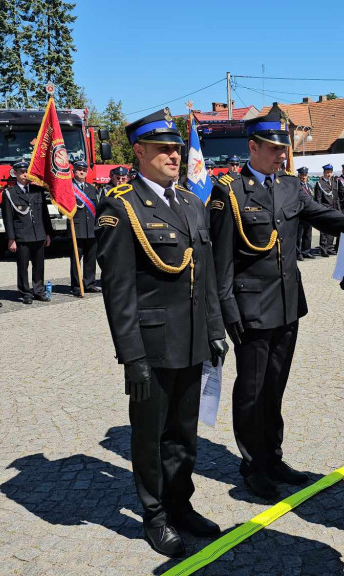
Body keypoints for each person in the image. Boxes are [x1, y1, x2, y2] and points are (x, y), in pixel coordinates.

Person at [208, 105, 344, 501]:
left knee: (276, 386)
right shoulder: (229, 194)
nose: (281, 155)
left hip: (287, 306)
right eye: (272, 148)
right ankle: (253, 466)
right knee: (251, 390)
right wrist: (226, 313)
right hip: (250, 310)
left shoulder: (289, 187)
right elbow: (220, 263)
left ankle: (273, 456)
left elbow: (321, 214)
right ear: (252, 147)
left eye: (283, 149)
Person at [96, 108, 227, 558]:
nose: (174, 155)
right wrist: (131, 356)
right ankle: (154, 515)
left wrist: (214, 330)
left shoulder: (191, 202)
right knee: (150, 435)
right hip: (152, 345)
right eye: (164, 149)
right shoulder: (121, 206)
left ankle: (180, 503)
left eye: (176, 148)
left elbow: (204, 274)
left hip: (192, 339)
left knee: (184, 434)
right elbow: (118, 290)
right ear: (140, 152)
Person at [1, 160, 52, 304]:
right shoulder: (10, 193)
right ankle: (25, 292)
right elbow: (8, 218)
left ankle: (39, 290)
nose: (25, 175)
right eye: (22, 172)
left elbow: (44, 214)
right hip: (22, 235)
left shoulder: (37, 191)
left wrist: (48, 233)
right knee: (23, 266)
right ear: (15, 173)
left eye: (27, 172)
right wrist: (11, 239)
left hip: (38, 234)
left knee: (39, 265)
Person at [69, 160, 101, 294]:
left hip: (91, 229)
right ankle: (77, 286)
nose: (82, 172)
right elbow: (62, 208)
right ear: (73, 171)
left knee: (90, 258)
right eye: (79, 169)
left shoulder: (92, 188)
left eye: (84, 170)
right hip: (76, 228)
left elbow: (97, 209)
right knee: (76, 259)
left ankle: (89, 283)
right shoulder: (69, 188)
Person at [313, 164, 339, 256]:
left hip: (333, 209)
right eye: (327, 172)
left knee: (332, 228)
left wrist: (338, 210)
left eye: (330, 172)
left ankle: (330, 247)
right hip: (324, 209)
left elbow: (336, 198)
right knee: (324, 230)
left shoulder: (334, 183)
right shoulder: (320, 184)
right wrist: (320, 211)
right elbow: (318, 199)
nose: (329, 174)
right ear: (324, 173)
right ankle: (323, 248)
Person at [295, 166, 315, 260]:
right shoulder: (296, 187)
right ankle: (298, 253)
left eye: (305, 175)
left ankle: (306, 251)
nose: (304, 177)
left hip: (309, 214)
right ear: (299, 175)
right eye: (302, 175)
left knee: (308, 234)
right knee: (299, 236)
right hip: (300, 214)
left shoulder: (310, 186)